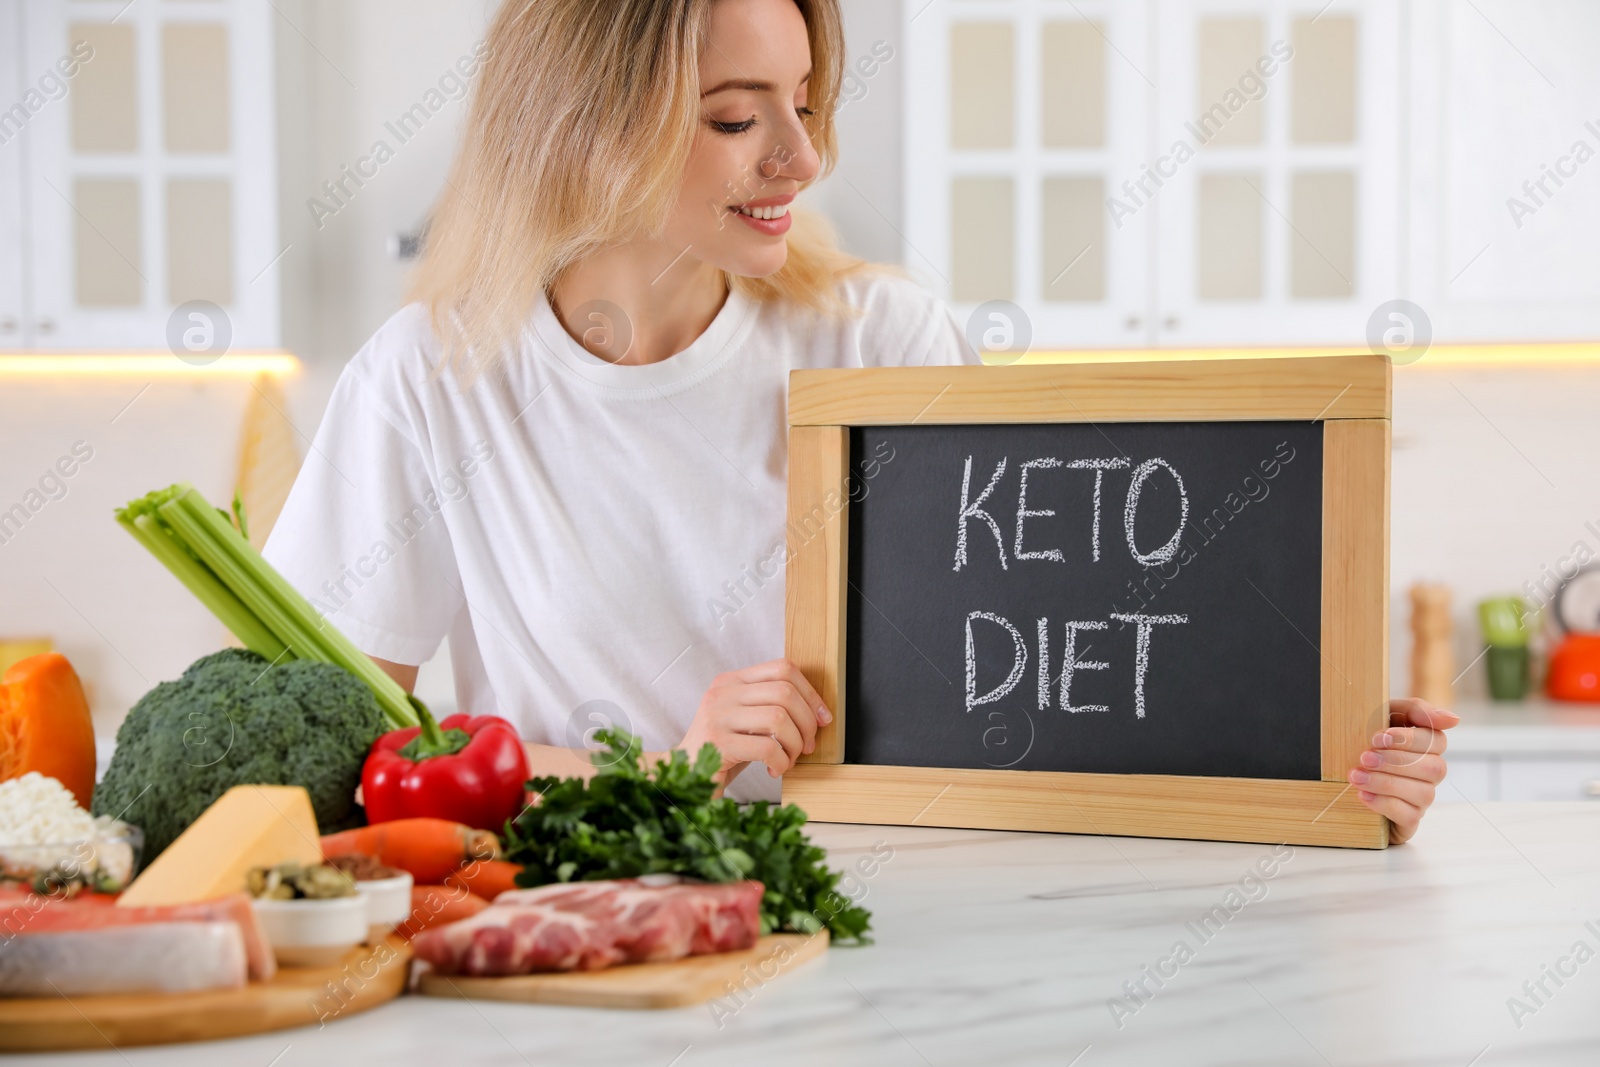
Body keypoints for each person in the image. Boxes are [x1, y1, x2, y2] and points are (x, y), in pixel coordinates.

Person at [263, 0, 1457, 843]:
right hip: (596, 938)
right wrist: (660, 767)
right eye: (737, 118)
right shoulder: (429, 380)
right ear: (587, 127)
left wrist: (1307, 752)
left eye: (805, 102)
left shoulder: (880, 339)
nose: (803, 155)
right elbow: (348, 758)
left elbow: (1048, 680)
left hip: (893, 922)